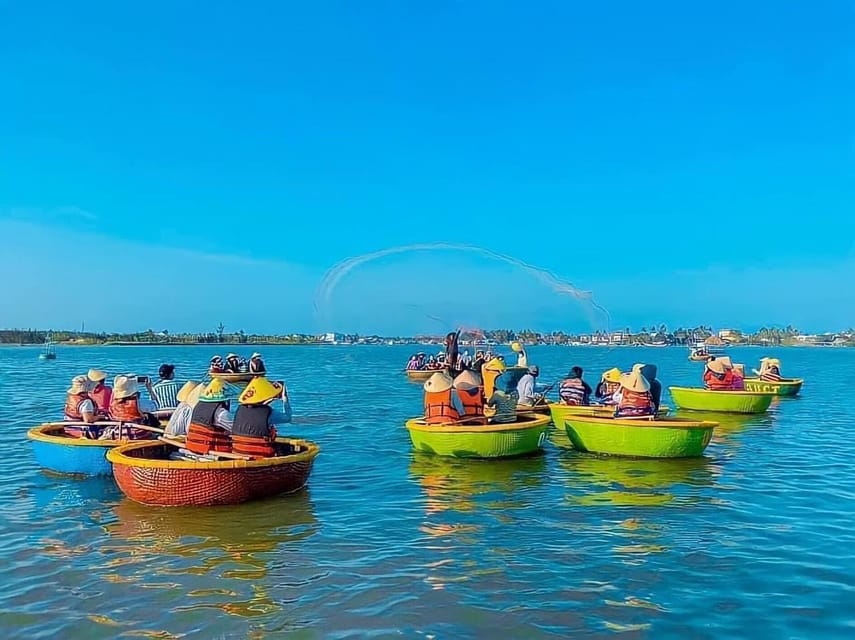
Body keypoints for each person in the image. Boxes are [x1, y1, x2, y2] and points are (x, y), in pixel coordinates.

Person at [231, 377, 292, 457]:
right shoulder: (269, 413)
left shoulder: (240, 409)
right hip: (261, 454)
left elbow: (255, 415)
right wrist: (285, 399)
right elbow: (287, 417)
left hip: (238, 451)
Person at [186, 378, 234, 455]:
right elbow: (236, 429)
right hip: (212, 452)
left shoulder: (197, 406)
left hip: (194, 447)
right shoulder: (220, 413)